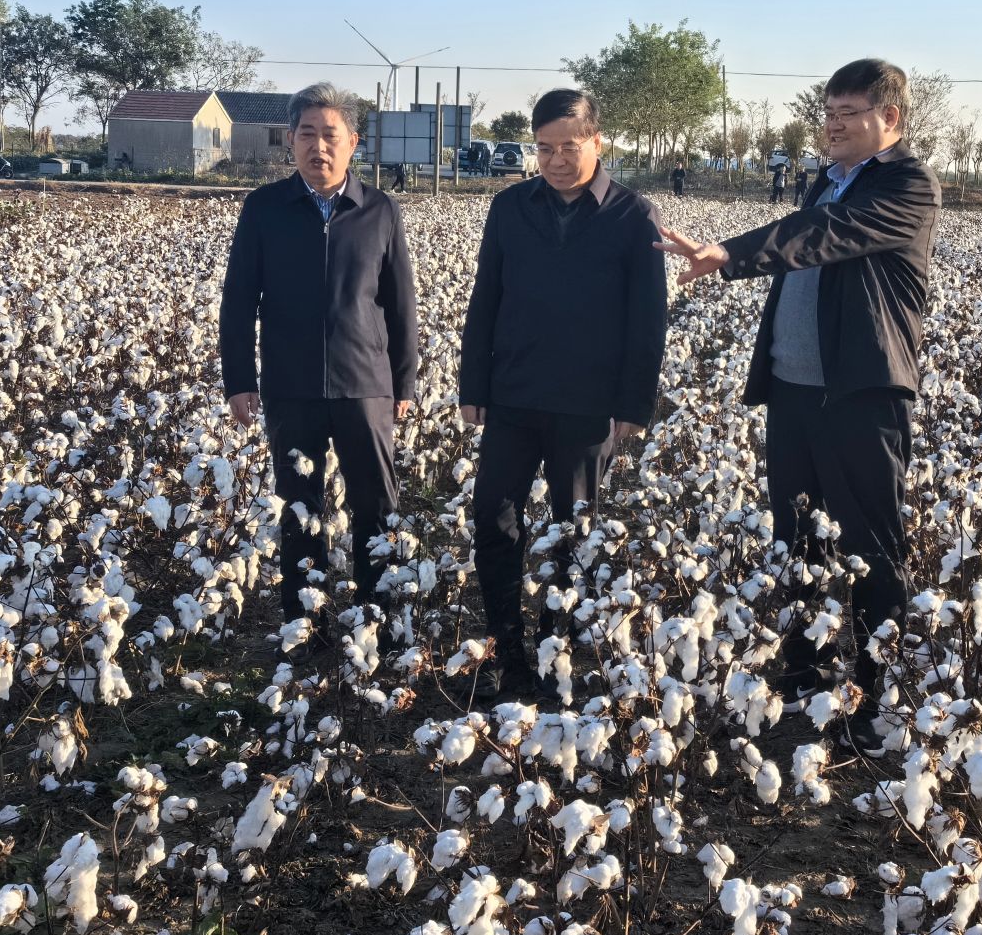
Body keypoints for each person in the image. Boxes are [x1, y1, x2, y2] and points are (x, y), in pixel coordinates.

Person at [656, 58, 940, 729]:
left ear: (889, 117)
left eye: (847, 114)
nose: (832, 126)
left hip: (861, 393)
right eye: (828, 113)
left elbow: (825, 235)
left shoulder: (908, 183)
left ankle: (877, 692)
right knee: (796, 536)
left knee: (871, 544)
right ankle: (804, 669)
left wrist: (731, 253)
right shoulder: (828, 179)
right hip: (794, 391)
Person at [459, 88, 668, 700]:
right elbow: (486, 299)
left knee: (573, 530)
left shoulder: (634, 215)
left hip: (588, 402)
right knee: (494, 517)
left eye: (568, 147)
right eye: (543, 148)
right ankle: (505, 649)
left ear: (597, 142)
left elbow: (648, 318)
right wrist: (474, 384)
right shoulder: (509, 207)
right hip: (513, 394)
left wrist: (633, 404)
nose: (554, 160)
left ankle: (559, 652)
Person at [220, 83, 419, 634]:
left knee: (375, 507)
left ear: (353, 142)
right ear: (290, 140)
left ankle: (377, 624)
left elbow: (401, 304)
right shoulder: (264, 209)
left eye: (331, 135)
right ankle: (304, 627)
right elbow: (239, 300)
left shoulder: (380, 211)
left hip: (366, 385)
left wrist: (403, 383)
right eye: (306, 133)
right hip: (292, 385)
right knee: (299, 509)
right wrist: (239, 379)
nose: (318, 146)